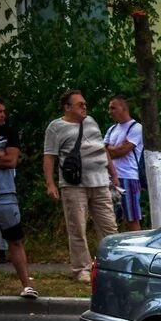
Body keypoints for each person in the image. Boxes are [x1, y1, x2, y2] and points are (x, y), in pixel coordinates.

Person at [42, 89, 118, 282]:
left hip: (100, 182)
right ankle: (81, 269)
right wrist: (50, 184)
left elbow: (103, 149)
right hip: (74, 184)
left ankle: (111, 266)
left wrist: (113, 174)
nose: (84, 107)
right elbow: (49, 156)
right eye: (80, 104)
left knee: (109, 227)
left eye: (85, 104)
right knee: (77, 228)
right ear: (67, 107)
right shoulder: (55, 127)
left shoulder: (91, 121)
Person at [0, 95, 38, 298]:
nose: (2, 115)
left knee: (15, 240)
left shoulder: (9, 132)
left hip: (4, 193)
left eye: (3, 112)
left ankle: (27, 285)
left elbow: (11, 161)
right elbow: (2, 157)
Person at [104, 95, 144, 231]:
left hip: (129, 178)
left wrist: (111, 149)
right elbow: (102, 151)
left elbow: (121, 151)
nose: (110, 111)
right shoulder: (112, 129)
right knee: (110, 218)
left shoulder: (136, 128)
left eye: (113, 108)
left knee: (132, 218)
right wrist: (114, 149)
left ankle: (139, 249)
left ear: (124, 108)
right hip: (111, 179)